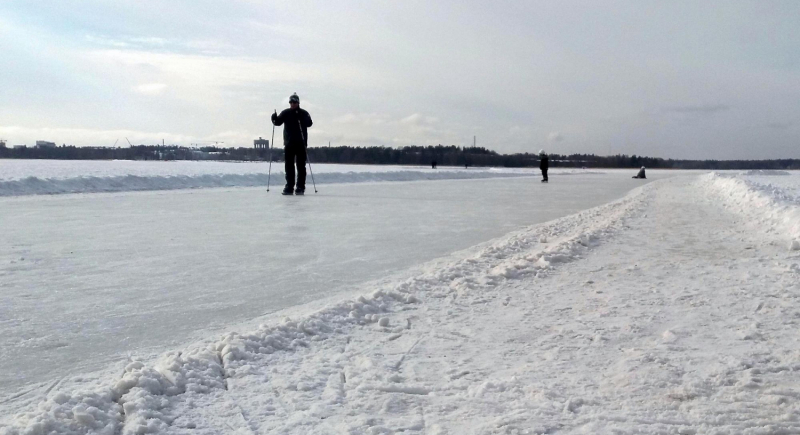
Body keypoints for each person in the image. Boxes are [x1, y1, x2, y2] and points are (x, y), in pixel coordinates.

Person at [272, 93, 313, 195]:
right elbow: (277, 122)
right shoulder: (286, 113)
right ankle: (289, 187)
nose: (293, 104)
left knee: (300, 167)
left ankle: (300, 187)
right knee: (289, 166)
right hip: (289, 144)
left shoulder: (303, 113)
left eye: (294, 102)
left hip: (301, 144)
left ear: (298, 103)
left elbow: (309, 123)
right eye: (291, 102)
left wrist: (303, 118)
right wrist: (274, 118)